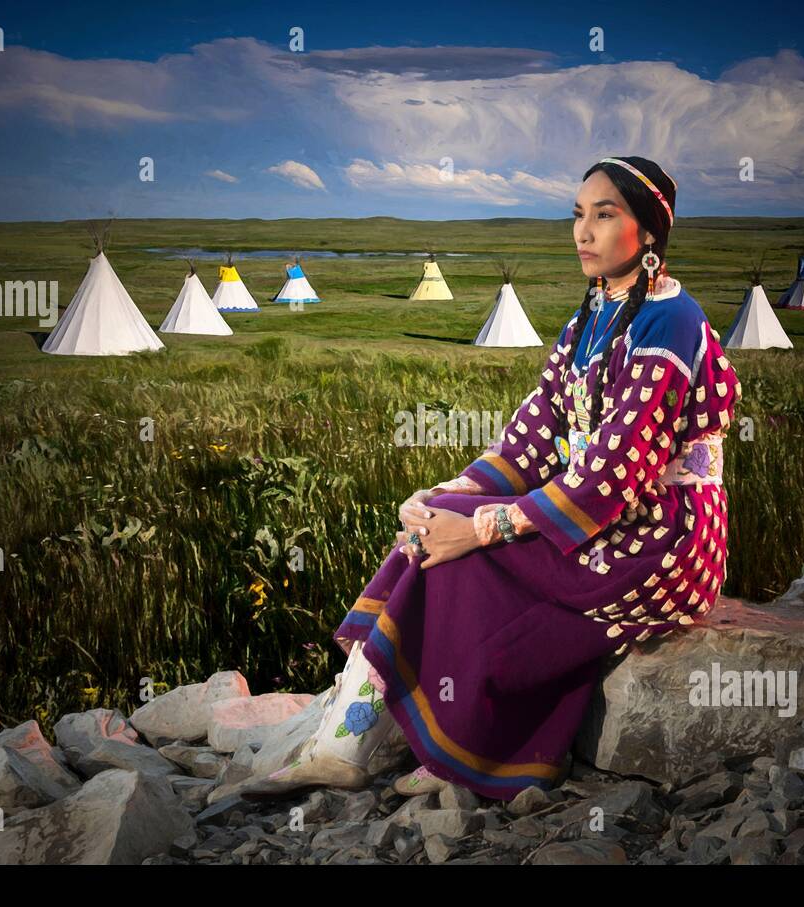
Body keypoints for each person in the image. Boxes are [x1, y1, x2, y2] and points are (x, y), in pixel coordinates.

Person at [236, 156, 742, 802]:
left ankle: (441, 745)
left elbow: (610, 479)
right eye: (577, 216)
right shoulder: (591, 317)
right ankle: (347, 742)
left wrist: (478, 530)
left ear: (647, 235)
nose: (583, 232)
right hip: (604, 515)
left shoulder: (670, 323)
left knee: (472, 560)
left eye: (604, 215)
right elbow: (532, 435)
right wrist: (450, 496)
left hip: (660, 537)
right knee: (435, 526)